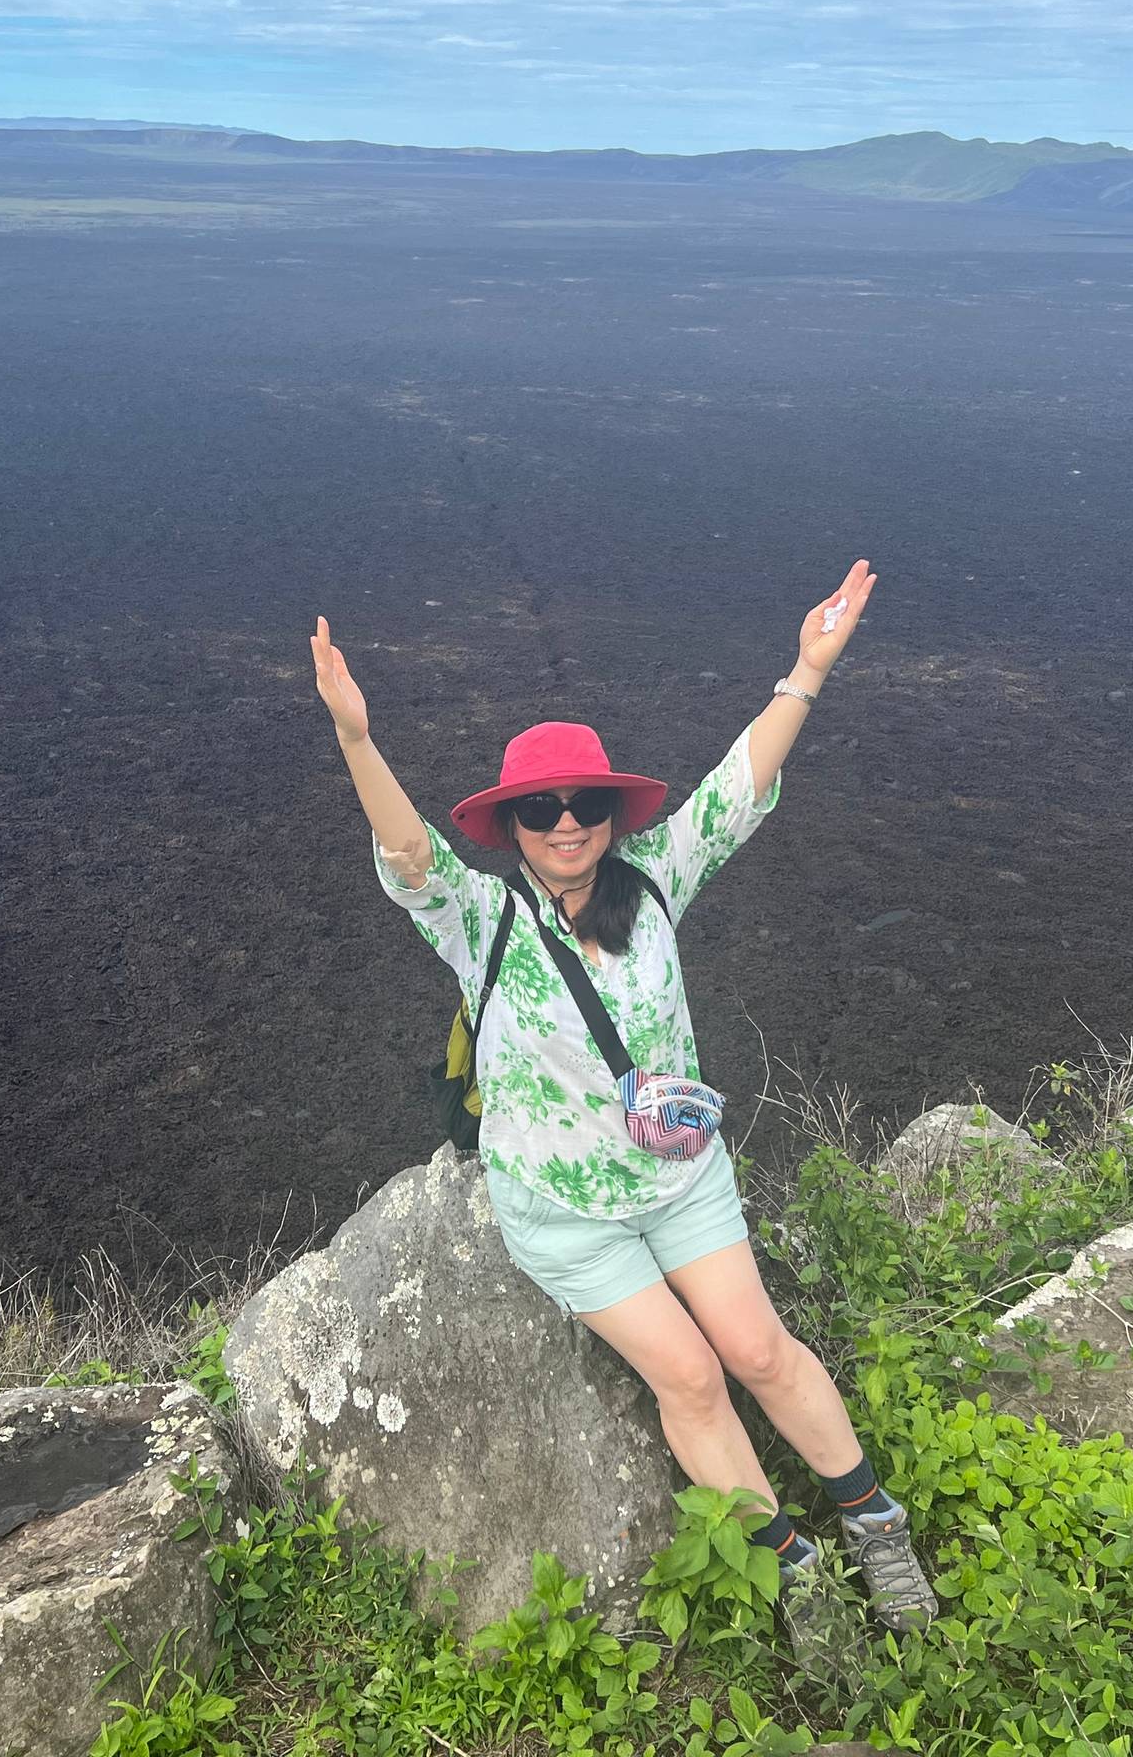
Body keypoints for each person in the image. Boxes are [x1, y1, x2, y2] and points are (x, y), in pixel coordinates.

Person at [309, 561, 938, 1638]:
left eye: (585, 804)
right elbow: (410, 855)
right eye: (542, 809)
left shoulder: (652, 880)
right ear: (510, 826)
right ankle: (794, 1572)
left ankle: (877, 1525)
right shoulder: (480, 921)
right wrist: (357, 739)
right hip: (566, 1214)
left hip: (681, 1178)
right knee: (690, 1376)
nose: (567, 825)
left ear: (611, 813)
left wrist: (806, 671)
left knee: (759, 1351)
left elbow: (735, 790)